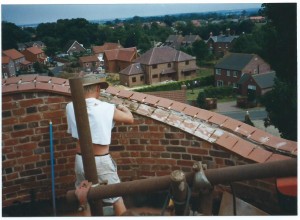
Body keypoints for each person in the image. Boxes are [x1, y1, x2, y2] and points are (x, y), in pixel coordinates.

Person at [66, 74, 134, 216]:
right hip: (101, 161)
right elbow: (129, 119)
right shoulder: (107, 107)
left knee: (83, 198)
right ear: (97, 89)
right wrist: (121, 106)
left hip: (80, 160)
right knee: (116, 198)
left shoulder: (70, 107)